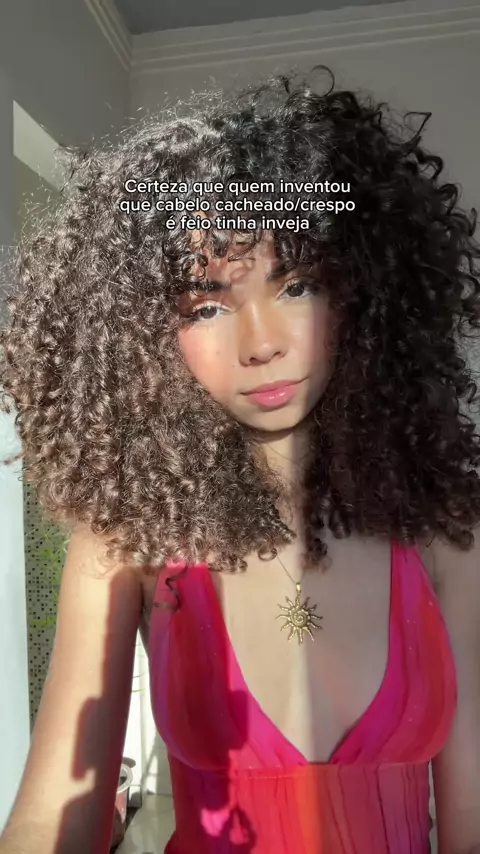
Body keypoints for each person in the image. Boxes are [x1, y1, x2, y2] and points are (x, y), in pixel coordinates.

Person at [0, 65, 480, 854]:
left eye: (297, 285)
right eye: (207, 305)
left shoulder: (446, 533)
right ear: (146, 333)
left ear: (363, 293)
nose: (261, 344)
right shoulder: (124, 542)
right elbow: (53, 816)